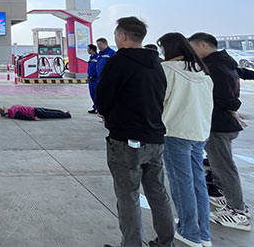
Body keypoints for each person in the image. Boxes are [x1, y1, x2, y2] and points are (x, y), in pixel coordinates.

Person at [97, 17, 174, 247]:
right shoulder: (156, 63)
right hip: (155, 138)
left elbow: (103, 97)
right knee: (158, 193)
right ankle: (166, 242)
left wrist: (107, 114)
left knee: (128, 196)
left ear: (122, 36)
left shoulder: (118, 62)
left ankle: (131, 244)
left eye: (116, 34)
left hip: (126, 141)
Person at [189, 32, 250, 231]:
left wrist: (233, 111)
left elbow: (224, 97)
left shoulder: (214, 67)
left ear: (204, 45)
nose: (192, 52)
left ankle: (238, 211)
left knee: (224, 167)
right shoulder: (226, 62)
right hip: (223, 123)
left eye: (193, 47)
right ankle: (232, 201)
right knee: (222, 166)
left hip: (218, 125)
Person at [158, 32, 213, 246]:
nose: (161, 51)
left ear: (169, 48)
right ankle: (203, 233)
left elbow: (160, 100)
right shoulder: (202, 71)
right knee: (198, 181)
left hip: (175, 131)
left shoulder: (167, 70)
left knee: (181, 183)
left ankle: (189, 232)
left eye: (163, 47)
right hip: (199, 132)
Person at [0, 106, 71, 120]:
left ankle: (62, 112)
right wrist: (33, 118)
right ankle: (66, 115)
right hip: (34, 113)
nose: (5, 107)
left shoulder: (12, 108)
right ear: (5, 111)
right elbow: (24, 116)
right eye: (3, 108)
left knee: (50, 110)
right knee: (50, 114)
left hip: (34, 108)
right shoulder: (14, 114)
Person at [87, 44, 98, 113]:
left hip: (95, 79)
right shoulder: (91, 58)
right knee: (92, 94)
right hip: (90, 79)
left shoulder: (97, 57)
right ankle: (95, 107)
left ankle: (98, 108)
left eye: (88, 49)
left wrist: (94, 76)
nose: (87, 50)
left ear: (91, 50)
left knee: (97, 94)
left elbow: (98, 68)